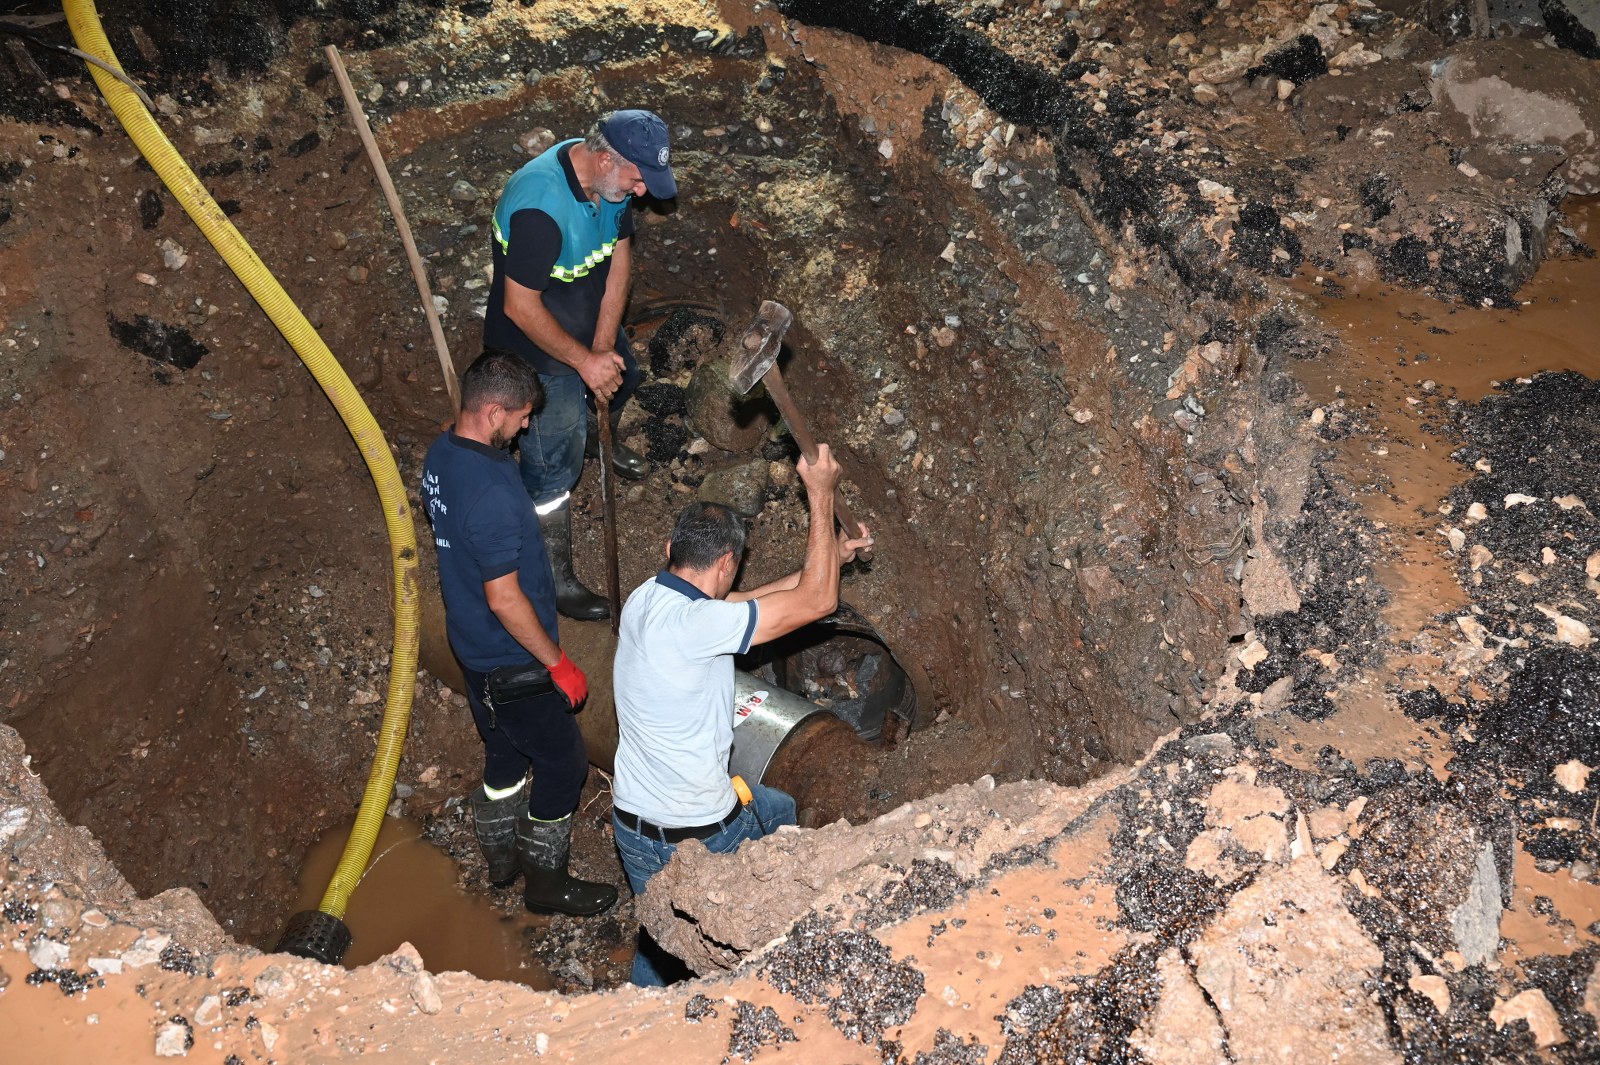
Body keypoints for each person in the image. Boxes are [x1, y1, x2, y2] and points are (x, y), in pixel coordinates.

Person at [611, 445, 873, 985]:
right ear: (727, 561)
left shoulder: (649, 598)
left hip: (632, 822)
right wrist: (820, 494)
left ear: (670, 549)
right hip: (698, 832)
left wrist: (829, 560)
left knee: (663, 930)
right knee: (709, 933)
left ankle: (634, 1014)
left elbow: (749, 600)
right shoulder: (696, 626)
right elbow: (818, 602)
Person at [421, 349, 617, 917]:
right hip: (512, 659)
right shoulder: (492, 498)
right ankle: (545, 883)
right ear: (491, 412)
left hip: (472, 646)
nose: (527, 425)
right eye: (522, 415)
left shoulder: (443, 454)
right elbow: (505, 598)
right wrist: (557, 662)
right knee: (563, 763)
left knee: (504, 757)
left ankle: (501, 859)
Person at [484, 108, 678, 622]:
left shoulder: (608, 183)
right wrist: (582, 362)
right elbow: (519, 307)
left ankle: (592, 437)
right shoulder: (540, 209)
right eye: (638, 178)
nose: (641, 192)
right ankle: (552, 579)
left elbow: (619, 260)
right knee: (551, 472)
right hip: (536, 351)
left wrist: (603, 344)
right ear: (605, 157)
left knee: (626, 378)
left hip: (585, 330)